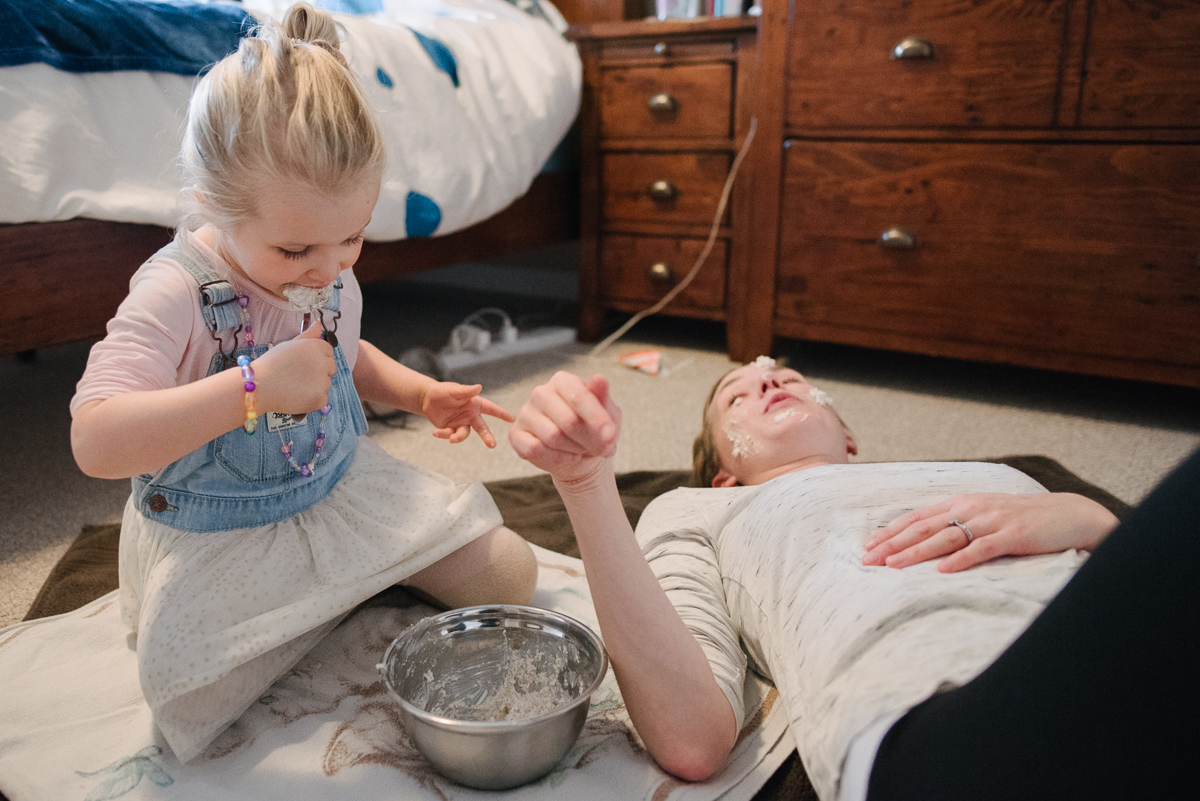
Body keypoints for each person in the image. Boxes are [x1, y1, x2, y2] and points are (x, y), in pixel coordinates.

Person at [69, 3, 536, 763]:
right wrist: (251, 388)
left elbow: (340, 356)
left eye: (351, 237)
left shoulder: (325, 266)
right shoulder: (176, 291)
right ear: (209, 207)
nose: (328, 268)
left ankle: (328, 599)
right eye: (294, 250)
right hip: (220, 532)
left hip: (336, 488)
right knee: (188, 702)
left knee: (511, 576)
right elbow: (95, 437)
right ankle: (336, 599)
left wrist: (419, 392)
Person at [509, 360, 1199, 801]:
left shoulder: (1006, 479)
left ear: (849, 435)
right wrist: (585, 482)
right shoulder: (706, 507)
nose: (766, 377)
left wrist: (1088, 515)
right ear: (723, 470)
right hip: (947, 729)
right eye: (736, 398)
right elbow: (692, 737)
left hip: (1121, 670)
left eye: (785, 374)